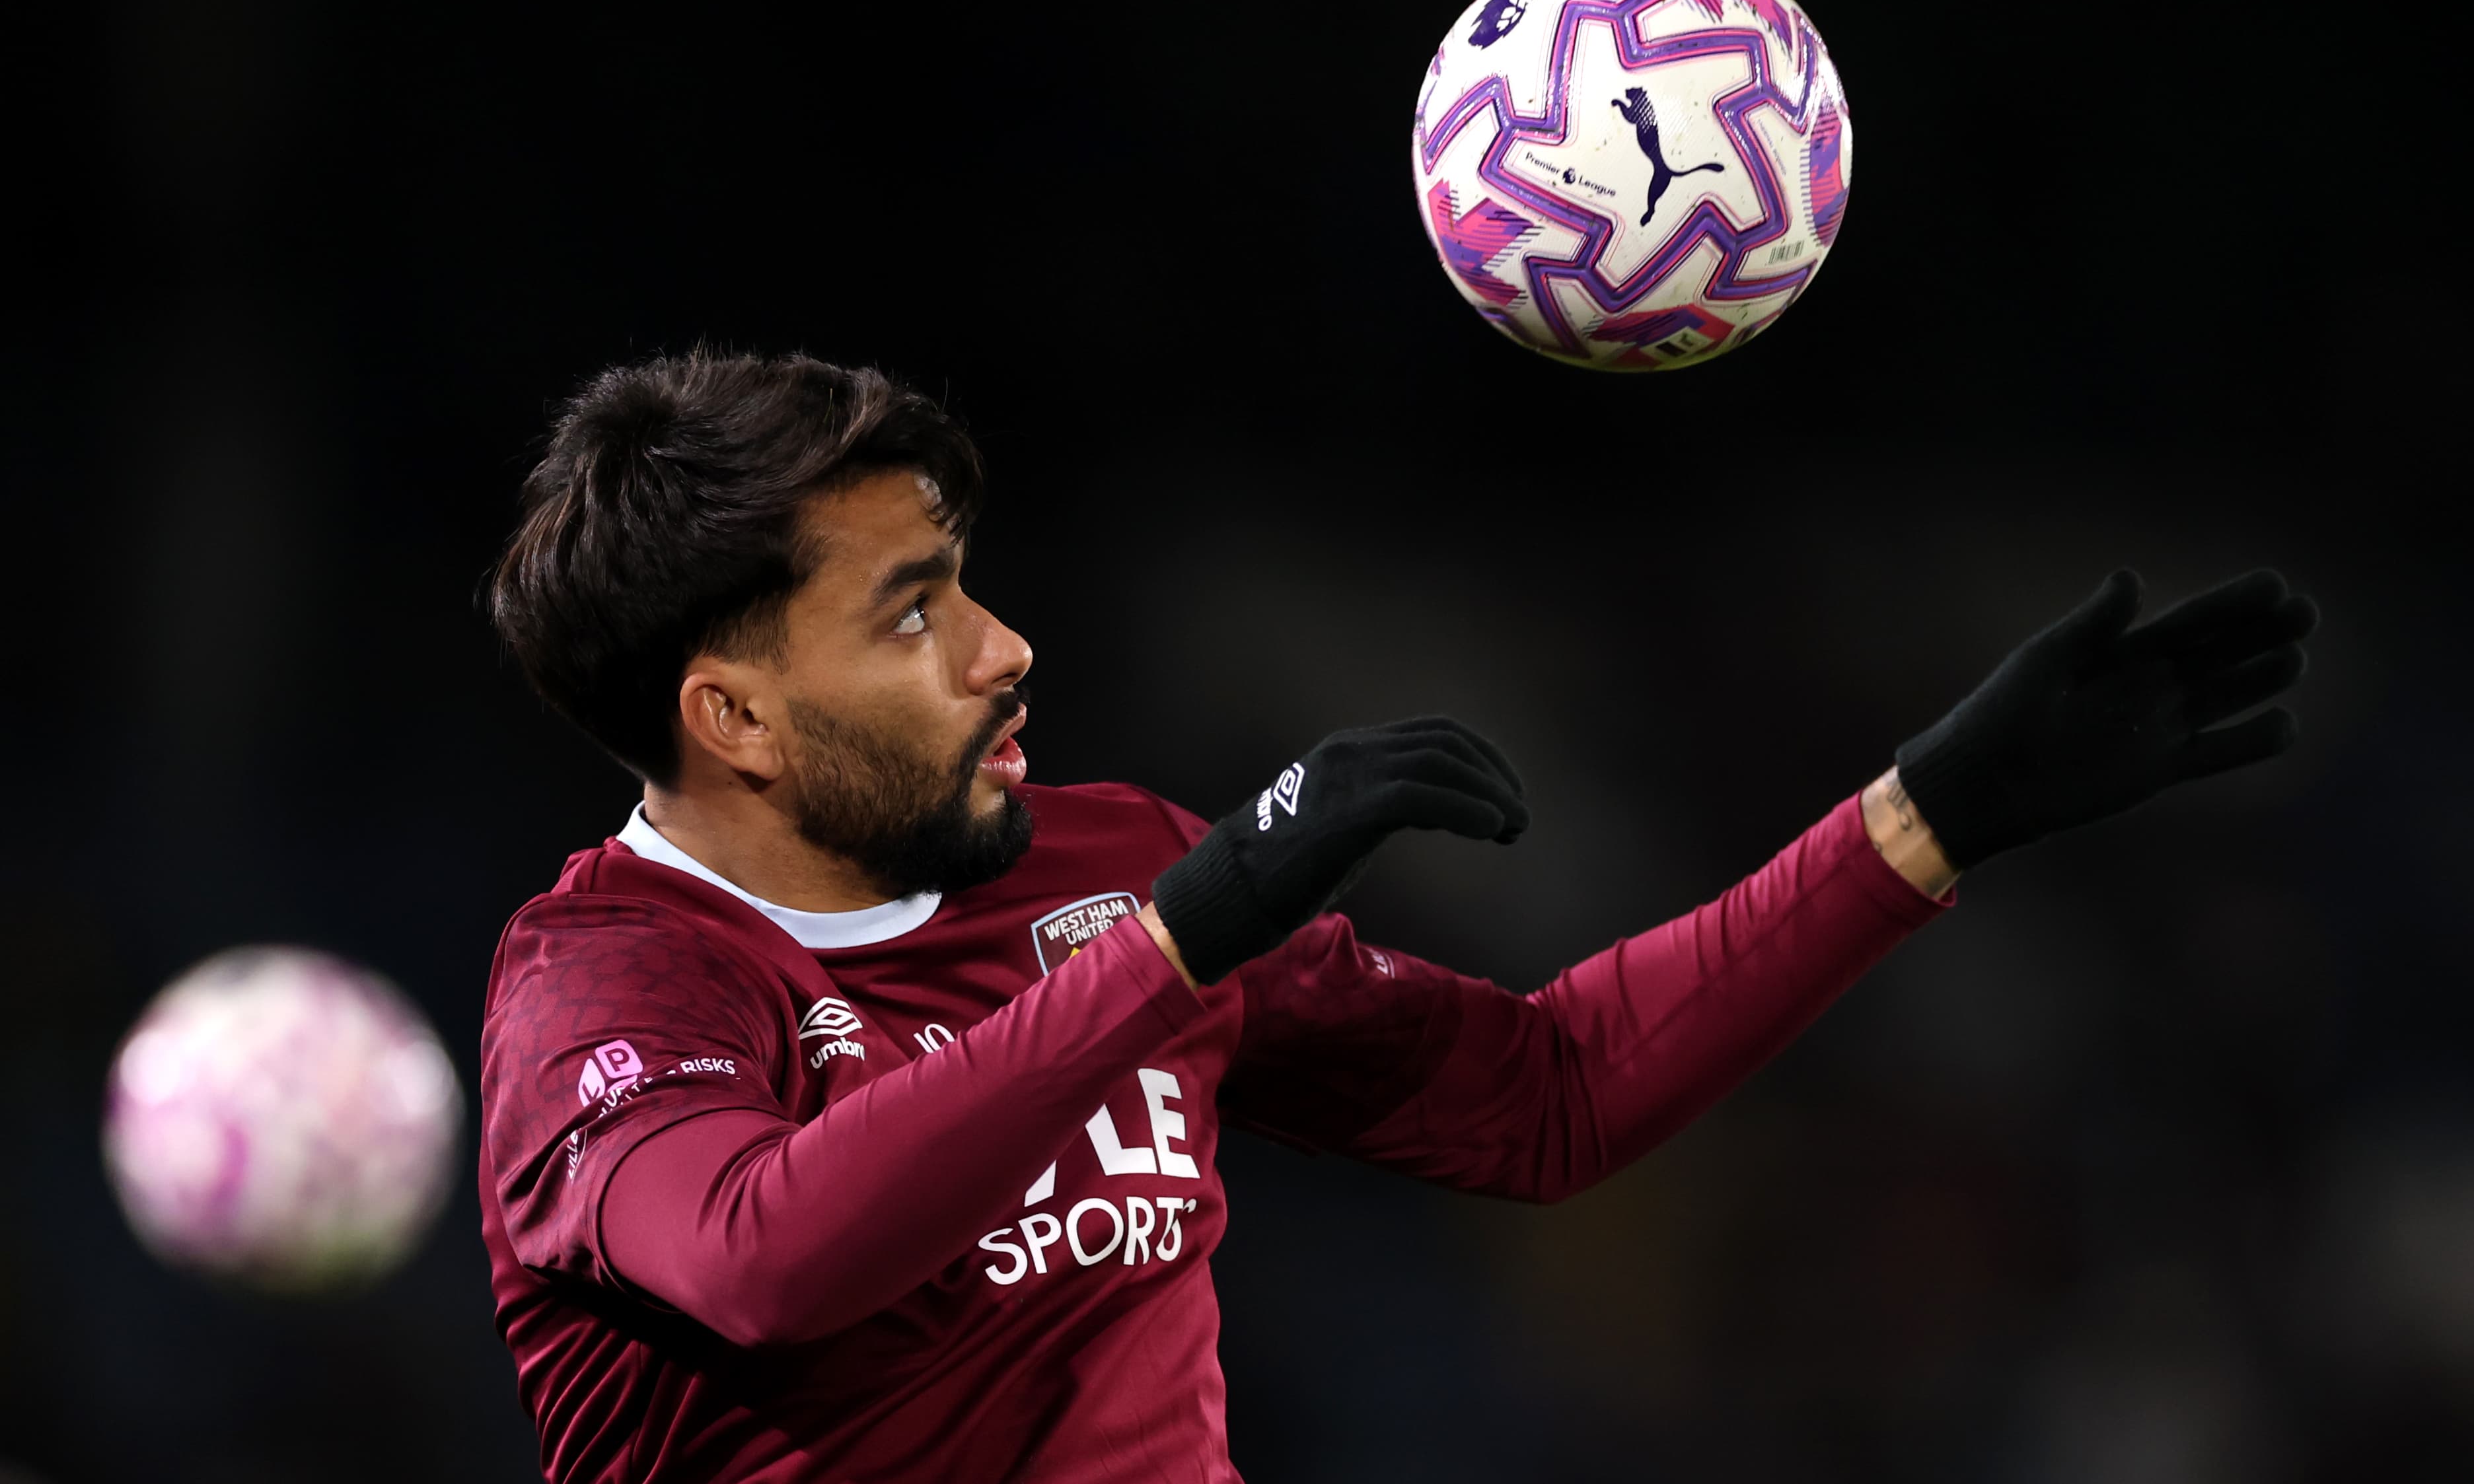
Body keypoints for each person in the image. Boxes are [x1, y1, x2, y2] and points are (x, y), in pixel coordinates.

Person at [478, 351, 2316, 1483]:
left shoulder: (1097, 862)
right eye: (908, 612)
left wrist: (1926, 819)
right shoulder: (610, 976)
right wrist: (1178, 936)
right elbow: (764, 1253)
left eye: (968, 582)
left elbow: (1545, 1093)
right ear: (731, 716)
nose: (1000, 646)